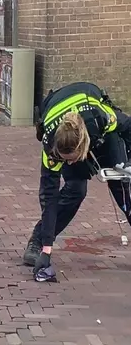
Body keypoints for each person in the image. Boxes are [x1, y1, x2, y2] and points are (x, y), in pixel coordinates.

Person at [22, 82, 131, 281]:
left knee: (121, 182)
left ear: (82, 147)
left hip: (98, 131)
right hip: (65, 129)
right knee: (75, 189)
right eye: (65, 160)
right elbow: (49, 197)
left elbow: (128, 127)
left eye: (70, 159)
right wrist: (46, 250)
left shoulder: (102, 118)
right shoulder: (52, 148)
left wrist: (128, 163)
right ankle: (37, 240)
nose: (67, 163)